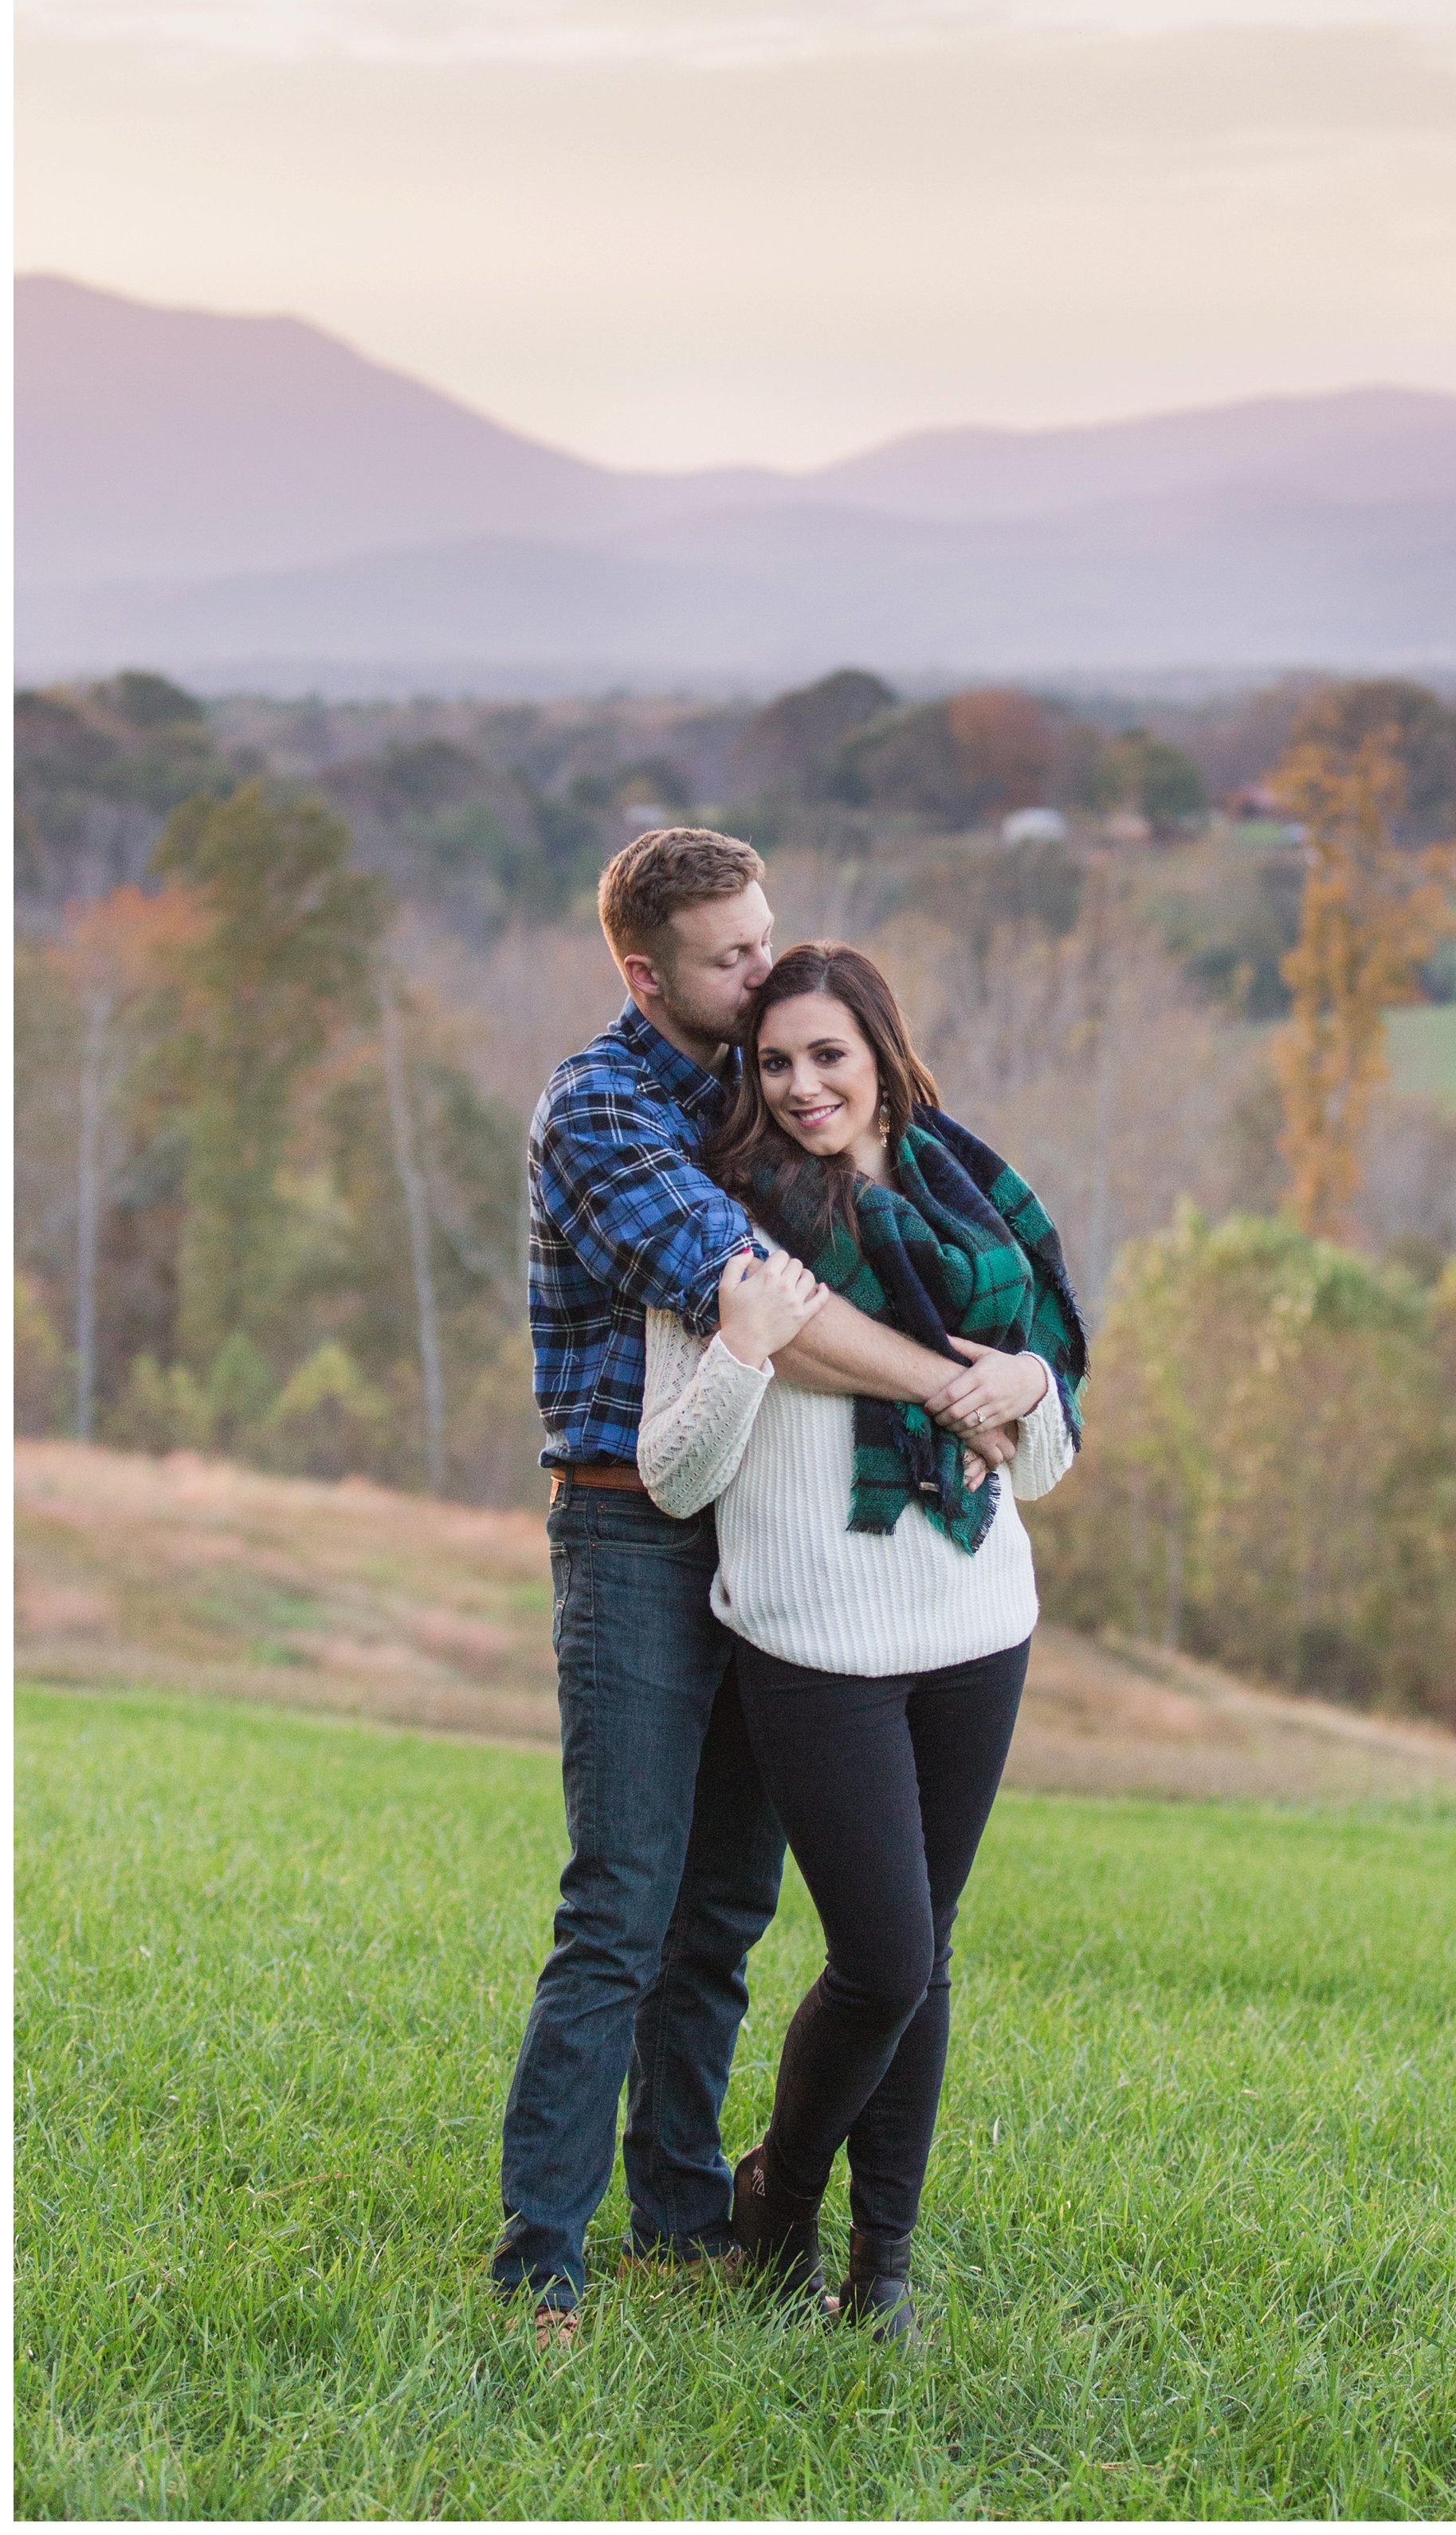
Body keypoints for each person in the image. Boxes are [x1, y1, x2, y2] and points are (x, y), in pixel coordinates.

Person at [495, 832, 1046, 2340]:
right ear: (643, 969)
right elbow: (773, 1309)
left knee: (726, 1910)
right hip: (632, 1525)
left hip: (769, 1542)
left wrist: (1023, 1377)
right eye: (731, 957)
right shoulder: (603, 1107)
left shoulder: (757, 1097)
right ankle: (542, 2251)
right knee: (622, 1899)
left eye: (767, 939)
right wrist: (957, 1388)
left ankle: (684, 2211)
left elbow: (889, 1257)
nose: (760, 972)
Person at [635, 939, 1085, 2344]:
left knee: (928, 1954)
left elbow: (1044, 1462)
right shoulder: (728, 1230)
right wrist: (746, 1348)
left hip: (977, 1623)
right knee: (883, 1957)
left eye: (827, 1054)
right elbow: (675, 1472)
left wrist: (1025, 1383)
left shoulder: (981, 1224)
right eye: (774, 1062)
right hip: (811, 1643)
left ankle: (880, 2267)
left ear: (884, 1055)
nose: (802, 1085)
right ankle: (778, 2197)